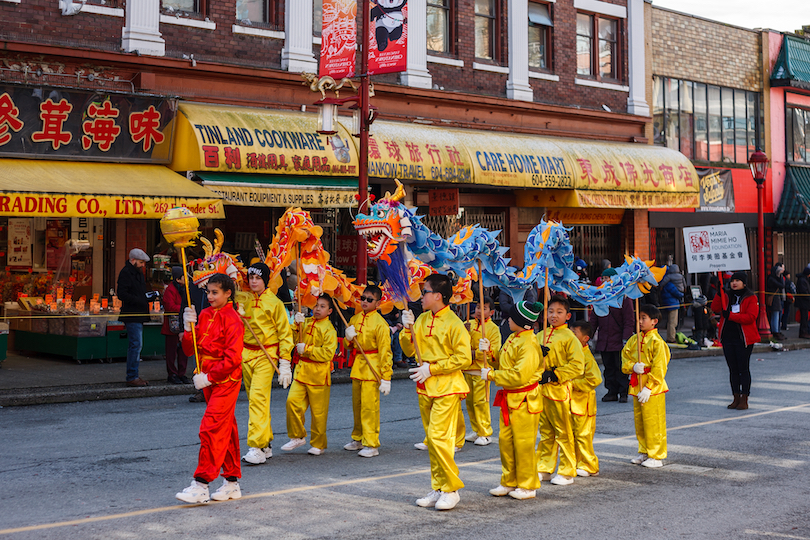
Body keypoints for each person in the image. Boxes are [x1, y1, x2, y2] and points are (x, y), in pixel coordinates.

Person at [401, 274, 472, 511]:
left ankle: (451, 489)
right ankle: (439, 486)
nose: (421, 297)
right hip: (425, 384)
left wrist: (432, 368)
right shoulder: (421, 319)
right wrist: (406, 328)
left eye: (425, 292)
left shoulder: (454, 323)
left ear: (438, 296)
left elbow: (464, 358)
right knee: (432, 440)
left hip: (447, 386)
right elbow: (409, 349)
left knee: (439, 439)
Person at [175, 273, 244, 504]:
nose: (210, 296)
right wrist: (188, 327)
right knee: (227, 429)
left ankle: (201, 483)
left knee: (211, 427)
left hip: (225, 381)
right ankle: (232, 482)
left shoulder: (233, 319)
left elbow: (233, 359)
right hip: (206, 378)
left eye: (215, 292)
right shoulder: (203, 314)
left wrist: (210, 377)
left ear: (228, 294)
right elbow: (188, 349)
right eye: (208, 292)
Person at [482, 301, 543, 500]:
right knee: (505, 442)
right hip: (509, 398)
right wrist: (489, 351)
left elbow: (519, 376)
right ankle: (509, 481)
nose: (508, 319)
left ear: (520, 321)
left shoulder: (529, 343)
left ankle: (527, 485)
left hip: (524, 398)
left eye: (511, 317)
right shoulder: (513, 337)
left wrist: (492, 375)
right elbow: (502, 360)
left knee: (523, 444)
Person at [240, 263, 294, 465]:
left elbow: (284, 333)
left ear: (265, 280)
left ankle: (256, 446)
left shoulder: (275, 302)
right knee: (257, 400)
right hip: (246, 354)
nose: (253, 281)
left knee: (257, 399)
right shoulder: (242, 299)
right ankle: (266, 443)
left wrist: (285, 362)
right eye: (251, 277)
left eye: (257, 278)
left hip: (266, 355)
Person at [536, 295, 585, 486]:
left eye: (559, 312)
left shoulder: (569, 337)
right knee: (545, 431)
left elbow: (577, 366)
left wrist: (555, 374)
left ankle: (567, 470)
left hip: (558, 389)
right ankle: (545, 467)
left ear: (568, 315)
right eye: (550, 311)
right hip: (541, 389)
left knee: (563, 432)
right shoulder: (540, 335)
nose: (553, 315)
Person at [282, 295, 338, 456]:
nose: (318, 309)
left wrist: (307, 349)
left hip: (319, 374)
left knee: (318, 413)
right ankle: (297, 435)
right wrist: (295, 326)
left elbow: (328, 353)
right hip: (301, 371)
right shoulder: (305, 322)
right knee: (292, 402)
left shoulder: (329, 329)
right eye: (316, 306)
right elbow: (291, 339)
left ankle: (318, 443)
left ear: (329, 311)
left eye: (322, 306)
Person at [342, 284, 393, 458]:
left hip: (373, 368)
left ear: (377, 303)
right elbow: (349, 346)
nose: (364, 302)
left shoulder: (381, 324)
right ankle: (358, 438)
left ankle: (371, 443)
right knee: (357, 406)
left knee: (369, 408)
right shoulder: (355, 319)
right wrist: (348, 339)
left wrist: (386, 377)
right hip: (358, 366)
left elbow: (386, 351)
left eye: (369, 299)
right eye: (362, 298)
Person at [621, 304, 670, 468]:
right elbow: (625, 356)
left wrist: (649, 387)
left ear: (654, 321)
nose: (640, 321)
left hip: (652, 388)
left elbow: (660, 367)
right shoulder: (634, 339)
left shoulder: (657, 342)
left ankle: (656, 455)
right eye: (639, 318)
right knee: (640, 421)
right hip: (637, 384)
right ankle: (644, 451)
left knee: (653, 422)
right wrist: (632, 366)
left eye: (644, 318)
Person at [711, 272, 759, 411]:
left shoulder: (750, 297)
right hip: (728, 337)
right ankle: (735, 397)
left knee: (743, 369)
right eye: (733, 280)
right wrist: (719, 293)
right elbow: (714, 308)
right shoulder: (726, 295)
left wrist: (731, 316)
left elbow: (750, 317)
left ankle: (744, 398)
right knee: (732, 369)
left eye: (738, 280)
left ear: (744, 283)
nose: (734, 283)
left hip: (743, 339)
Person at [460, 296, 501, 447]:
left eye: (483, 308)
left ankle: (485, 432)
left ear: (491, 312)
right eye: (477, 308)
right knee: (470, 403)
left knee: (481, 402)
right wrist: (464, 333)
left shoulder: (493, 329)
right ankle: (476, 430)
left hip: (482, 370)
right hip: (467, 369)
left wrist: (477, 352)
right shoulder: (468, 324)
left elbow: (495, 351)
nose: (479, 311)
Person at [589, 268, 634, 403]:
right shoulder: (600, 297)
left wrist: (626, 338)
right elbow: (594, 320)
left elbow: (628, 320)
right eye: (602, 278)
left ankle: (623, 392)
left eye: (606, 278)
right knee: (608, 368)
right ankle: (611, 391)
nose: (603, 281)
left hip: (619, 340)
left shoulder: (624, 298)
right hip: (604, 340)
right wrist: (588, 335)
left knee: (621, 368)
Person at [569, 320, 602, 477]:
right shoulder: (572, 353)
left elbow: (594, 379)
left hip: (583, 402)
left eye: (574, 334)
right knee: (573, 435)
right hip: (572, 400)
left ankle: (589, 464)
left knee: (583, 435)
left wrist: (573, 384)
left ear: (585, 338)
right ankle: (577, 462)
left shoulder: (586, 357)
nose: (570, 336)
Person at [117, 248, 152, 387]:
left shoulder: (137, 273)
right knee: (136, 345)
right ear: (133, 260)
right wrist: (141, 299)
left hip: (138, 313)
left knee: (136, 345)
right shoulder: (126, 273)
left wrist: (146, 297)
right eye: (141, 262)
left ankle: (133, 375)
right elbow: (122, 294)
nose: (143, 265)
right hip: (132, 314)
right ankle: (132, 376)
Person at [162, 266, 189, 385]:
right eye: (184, 277)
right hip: (172, 325)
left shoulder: (186, 289)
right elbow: (169, 306)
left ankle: (182, 373)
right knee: (171, 352)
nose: (187, 279)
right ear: (178, 279)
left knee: (184, 351)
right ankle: (172, 373)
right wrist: (184, 309)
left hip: (183, 324)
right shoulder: (170, 290)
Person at [660, 266, 684, 343]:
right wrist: (682, 294)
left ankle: (670, 337)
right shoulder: (670, 284)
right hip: (673, 304)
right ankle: (671, 338)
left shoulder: (666, 282)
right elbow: (677, 293)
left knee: (670, 321)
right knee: (673, 322)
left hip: (668, 303)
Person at [766, 263, 786, 340]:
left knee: (778, 315)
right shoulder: (771, 279)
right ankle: (775, 331)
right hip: (774, 299)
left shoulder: (773, 278)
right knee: (775, 315)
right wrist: (780, 276)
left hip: (777, 299)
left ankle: (777, 330)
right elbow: (782, 285)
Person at [798, 265, 810, 339]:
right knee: (804, 318)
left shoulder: (804, 280)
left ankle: (804, 331)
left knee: (805, 318)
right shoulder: (803, 280)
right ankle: (803, 332)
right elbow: (804, 292)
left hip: (805, 302)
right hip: (803, 302)